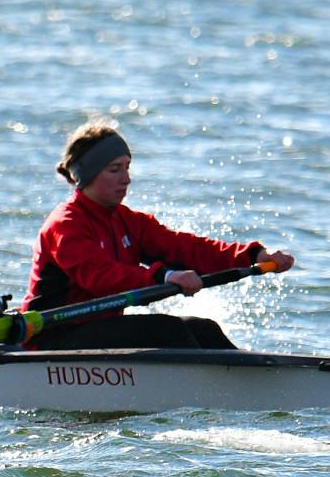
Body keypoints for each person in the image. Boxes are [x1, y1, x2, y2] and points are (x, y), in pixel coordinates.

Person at [21, 120, 294, 349]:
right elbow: (101, 278)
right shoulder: (66, 224)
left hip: (98, 329)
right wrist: (163, 276)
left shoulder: (128, 221)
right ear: (88, 175)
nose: (126, 178)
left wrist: (254, 255)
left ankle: (251, 389)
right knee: (168, 331)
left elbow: (185, 249)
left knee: (204, 329)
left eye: (127, 168)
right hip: (51, 337)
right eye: (115, 170)